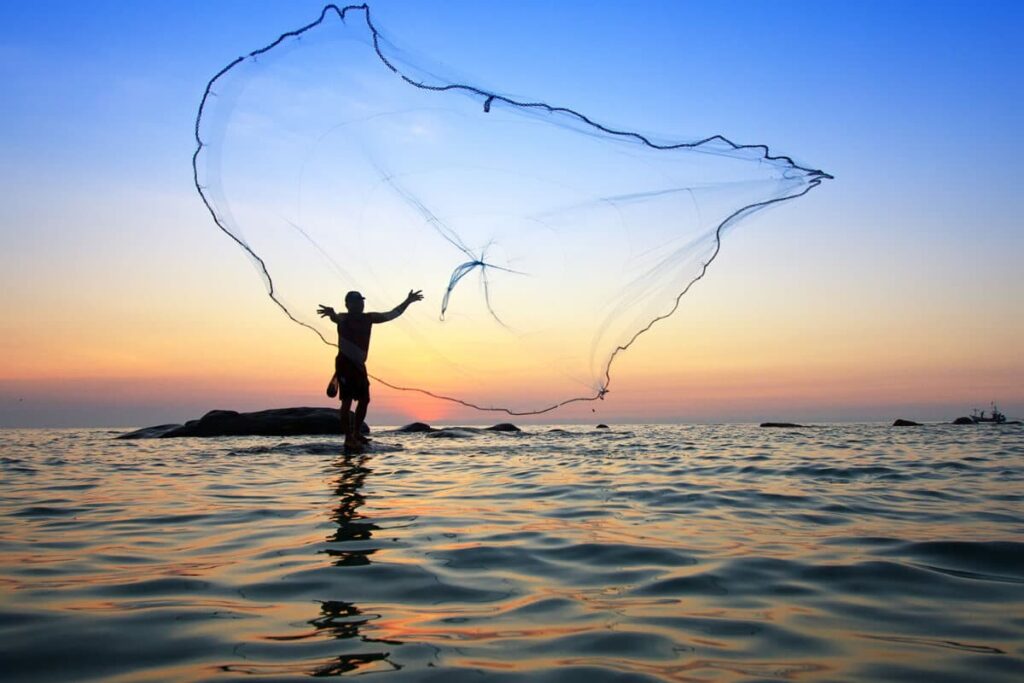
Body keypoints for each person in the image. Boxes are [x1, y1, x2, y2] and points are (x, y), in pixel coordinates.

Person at [317, 289, 423, 450]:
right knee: (346, 402)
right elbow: (335, 318)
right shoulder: (343, 318)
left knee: (364, 400)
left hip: (359, 366)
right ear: (348, 304)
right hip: (345, 364)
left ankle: (357, 432)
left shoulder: (369, 318)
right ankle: (348, 438)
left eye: (361, 301)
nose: (360, 304)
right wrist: (331, 314)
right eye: (356, 302)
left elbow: (391, 314)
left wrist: (408, 301)